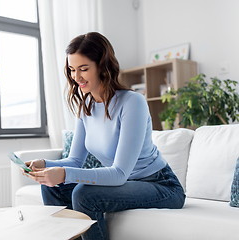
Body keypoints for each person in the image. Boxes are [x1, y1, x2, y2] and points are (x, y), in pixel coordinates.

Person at [23, 32, 186, 240]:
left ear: (103, 66)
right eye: (72, 70)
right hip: (124, 184)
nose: (76, 77)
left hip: (160, 185)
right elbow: (75, 161)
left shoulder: (132, 102)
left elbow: (119, 174)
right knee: (52, 187)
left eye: (83, 69)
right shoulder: (86, 108)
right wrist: (44, 165)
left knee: (84, 194)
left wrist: (64, 173)